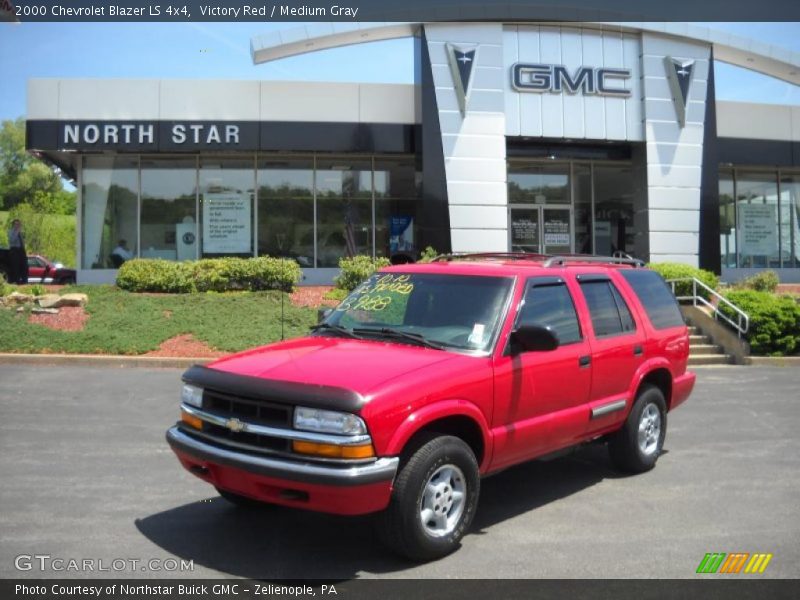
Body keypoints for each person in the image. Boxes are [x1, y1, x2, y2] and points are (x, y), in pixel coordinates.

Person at [7, 219, 28, 284]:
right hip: (14, 250)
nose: (18, 226)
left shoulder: (21, 232)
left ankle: (24, 281)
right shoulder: (10, 231)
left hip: (21, 250)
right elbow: (12, 240)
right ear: (13, 225)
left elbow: (23, 241)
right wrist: (17, 232)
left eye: (19, 224)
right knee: (16, 266)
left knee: (25, 266)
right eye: (16, 224)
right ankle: (16, 281)